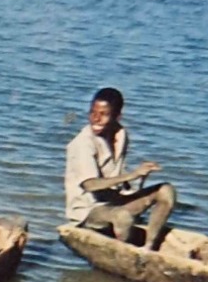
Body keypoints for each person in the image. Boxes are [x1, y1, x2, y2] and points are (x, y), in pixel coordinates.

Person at [64, 86, 177, 251]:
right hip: (88, 210)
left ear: (117, 116)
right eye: (93, 113)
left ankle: (148, 247)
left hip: (113, 201)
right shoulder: (82, 143)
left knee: (166, 190)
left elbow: (117, 178)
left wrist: (138, 180)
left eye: (103, 114)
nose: (96, 119)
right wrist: (132, 175)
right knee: (123, 217)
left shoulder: (121, 135)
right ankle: (124, 253)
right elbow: (90, 185)